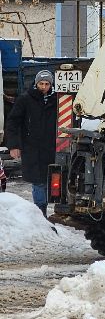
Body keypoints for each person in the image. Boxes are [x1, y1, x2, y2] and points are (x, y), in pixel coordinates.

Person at [6, 69, 57, 217]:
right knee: (38, 181)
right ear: (36, 83)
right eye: (41, 83)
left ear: (51, 85)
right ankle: (40, 213)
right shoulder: (25, 99)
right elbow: (13, 122)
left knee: (52, 179)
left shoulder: (57, 100)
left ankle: (46, 211)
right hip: (32, 148)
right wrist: (14, 145)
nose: (44, 87)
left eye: (47, 84)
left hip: (53, 147)